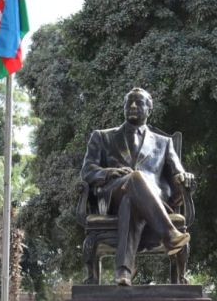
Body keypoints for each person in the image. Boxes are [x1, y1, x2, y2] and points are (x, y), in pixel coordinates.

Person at [81, 87, 195, 286]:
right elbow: (87, 171)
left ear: (149, 109)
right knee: (134, 178)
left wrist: (185, 176)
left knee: (131, 200)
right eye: (129, 102)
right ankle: (170, 235)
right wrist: (108, 172)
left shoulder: (164, 143)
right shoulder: (102, 136)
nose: (133, 106)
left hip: (151, 201)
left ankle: (123, 271)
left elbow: (178, 174)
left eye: (139, 102)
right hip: (112, 197)